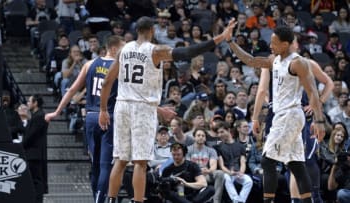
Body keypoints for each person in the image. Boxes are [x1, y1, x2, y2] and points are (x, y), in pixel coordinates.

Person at [98, 16, 236, 203]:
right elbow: (188, 51)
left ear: (136, 30)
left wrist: (103, 110)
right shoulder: (155, 51)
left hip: (122, 106)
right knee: (140, 162)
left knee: (120, 160)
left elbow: (106, 82)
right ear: (152, 31)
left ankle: (110, 200)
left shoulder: (124, 50)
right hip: (142, 110)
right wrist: (220, 37)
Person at [228, 25, 326, 203]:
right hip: (284, 115)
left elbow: (312, 91)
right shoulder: (274, 59)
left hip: (290, 114)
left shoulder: (298, 62)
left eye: (274, 43)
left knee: (267, 161)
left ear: (285, 44)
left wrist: (319, 121)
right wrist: (230, 42)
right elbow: (251, 60)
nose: (270, 45)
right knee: (296, 164)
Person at [45, 35, 125, 203]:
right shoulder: (120, 68)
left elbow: (72, 89)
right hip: (108, 117)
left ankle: (95, 198)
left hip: (90, 118)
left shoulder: (89, 64)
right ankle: (99, 200)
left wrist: (57, 111)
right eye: (123, 48)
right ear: (113, 49)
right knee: (105, 165)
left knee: (95, 165)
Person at [186, 127, 225, 203]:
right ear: (194, 137)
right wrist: (198, 171)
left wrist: (209, 170)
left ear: (205, 138)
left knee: (219, 173)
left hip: (206, 174)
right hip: (193, 175)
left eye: (203, 136)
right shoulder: (188, 149)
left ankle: (216, 200)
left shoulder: (211, 150)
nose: (201, 137)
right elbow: (187, 165)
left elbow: (213, 165)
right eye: (198, 135)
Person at [23, 95, 48, 203]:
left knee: (36, 181)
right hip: (33, 153)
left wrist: (21, 145)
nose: (28, 103)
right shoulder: (36, 115)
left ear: (35, 103)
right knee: (34, 181)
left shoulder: (39, 116)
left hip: (34, 154)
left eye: (29, 101)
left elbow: (31, 135)